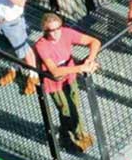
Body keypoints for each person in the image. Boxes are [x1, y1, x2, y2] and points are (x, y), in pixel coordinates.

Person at [32, 13, 100, 152]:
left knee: (73, 105)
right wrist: (81, 67)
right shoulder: (42, 45)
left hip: (70, 78)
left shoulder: (66, 33)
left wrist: (90, 59)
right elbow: (55, 71)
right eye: (52, 30)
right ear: (45, 31)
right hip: (54, 83)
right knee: (67, 109)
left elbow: (94, 42)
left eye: (58, 28)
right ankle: (80, 136)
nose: (56, 33)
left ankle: (65, 135)